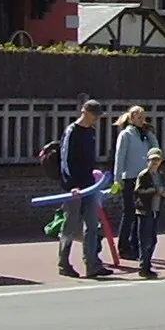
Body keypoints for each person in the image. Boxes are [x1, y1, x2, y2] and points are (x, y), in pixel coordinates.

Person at [57, 98, 110, 279]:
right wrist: (71, 186)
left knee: (92, 224)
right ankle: (63, 263)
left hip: (89, 186)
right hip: (73, 187)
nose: (95, 119)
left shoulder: (91, 132)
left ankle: (92, 263)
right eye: (94, 115)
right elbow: (64, 161)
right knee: (70, 225)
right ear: (84, 112)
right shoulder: (72, 131)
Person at [112, 106, 156, 264]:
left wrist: (149, 133)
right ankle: (123, 247)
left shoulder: (143, 135)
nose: (141, 120)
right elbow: (120, 157)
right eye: (137, 117)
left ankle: (135, 245)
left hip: (143, 177)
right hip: (129, 178)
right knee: (129, 212)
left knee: (141, 213)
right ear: (130, 118)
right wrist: (117, 180)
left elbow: (155, 150)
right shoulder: (126, 135)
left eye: (142, 117)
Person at [132, 147, 165, 279]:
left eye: (157, 160)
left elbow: (162, 189)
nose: (155, 162)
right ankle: (143, 267)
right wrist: (154, 191)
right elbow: (138, 191)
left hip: (156, 208)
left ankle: (148, 265)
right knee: (145, 239)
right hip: (144, 210)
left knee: (153, 239)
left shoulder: (160, 175)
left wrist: (164, 194)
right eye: (152, 160)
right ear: (147, 160)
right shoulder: (144, 175)